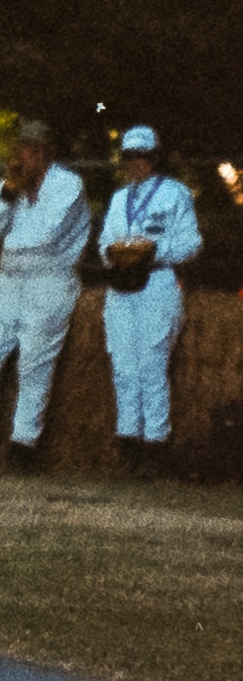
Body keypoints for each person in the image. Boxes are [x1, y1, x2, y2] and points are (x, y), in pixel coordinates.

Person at [0, 122, 90, 471]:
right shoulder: (8, 187)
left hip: (49, 281)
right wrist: (7, 197)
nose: (23, 156)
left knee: (34, 364)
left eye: (30, 149)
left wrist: (9, 237)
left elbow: (47, 235)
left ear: (46, 151)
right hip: (8, 281)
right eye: (21, 148)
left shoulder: (68, 185)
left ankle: (23, 445)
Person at [99, 125, 202, 471]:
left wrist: (151, 252)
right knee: (123, 364)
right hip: (121, 285)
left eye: (143, 155)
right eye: (130, 156)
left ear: (155, 157)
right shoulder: (118, 199)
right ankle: (128, 439)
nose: (136, 162)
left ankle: (155, 442)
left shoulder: (175, 193)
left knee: (152, 365)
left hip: (157, 281)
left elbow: (191, 244)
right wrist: (116, 254)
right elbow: (104, 243)